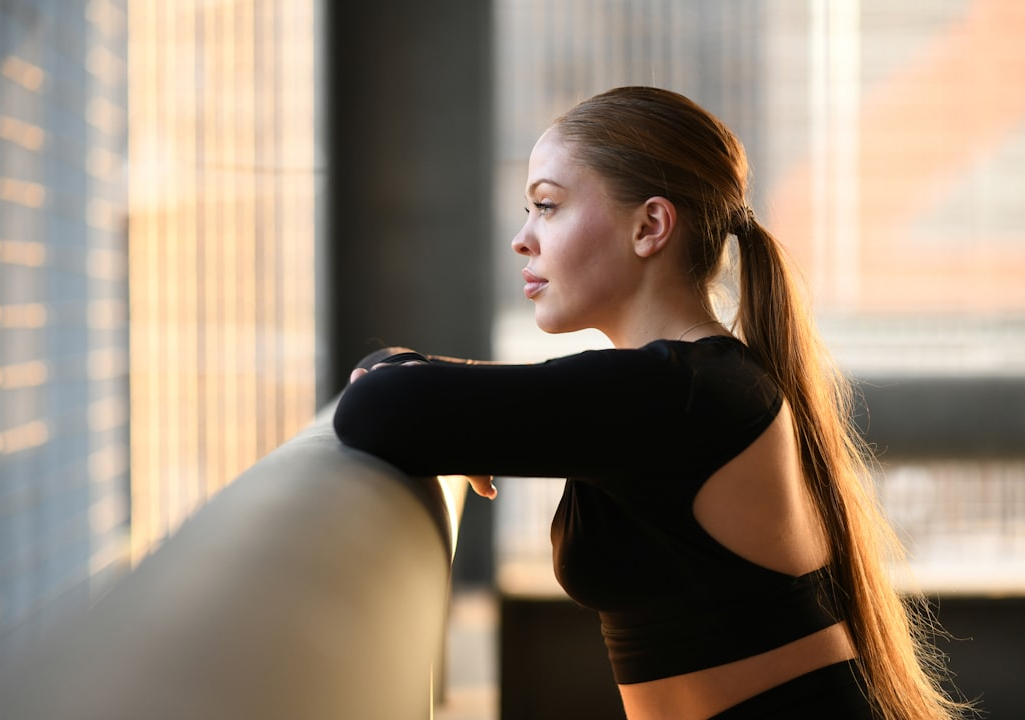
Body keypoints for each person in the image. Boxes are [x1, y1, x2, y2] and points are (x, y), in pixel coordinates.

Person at [333, 87, 968, 720]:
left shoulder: (677, 393)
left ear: (650, 227)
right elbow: (401, 393)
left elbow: (378, 408)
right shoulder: (686, 385)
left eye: (547, 206)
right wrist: (444, 407)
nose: (522, 239)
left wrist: (435, 404)